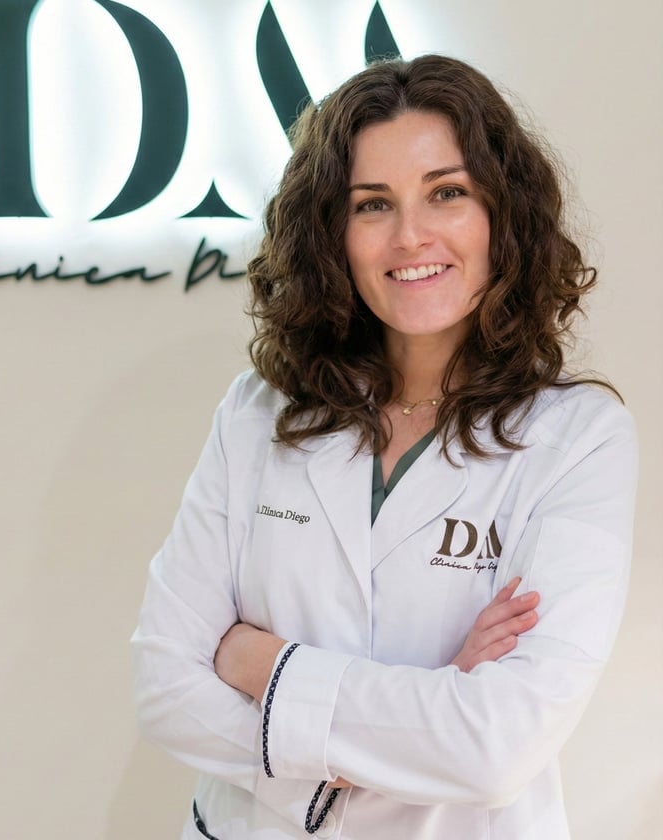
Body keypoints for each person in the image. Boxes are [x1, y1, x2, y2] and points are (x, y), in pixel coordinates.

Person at [131, 55, 637, 839]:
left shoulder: (576, 437)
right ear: (332, 234)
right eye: (372, 204)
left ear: (503, 213)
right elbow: (166, 685)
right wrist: (421, 714)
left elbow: (497, 748)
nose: (410, 236)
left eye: (447, 192)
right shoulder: (257, 414)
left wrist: (259, 665)